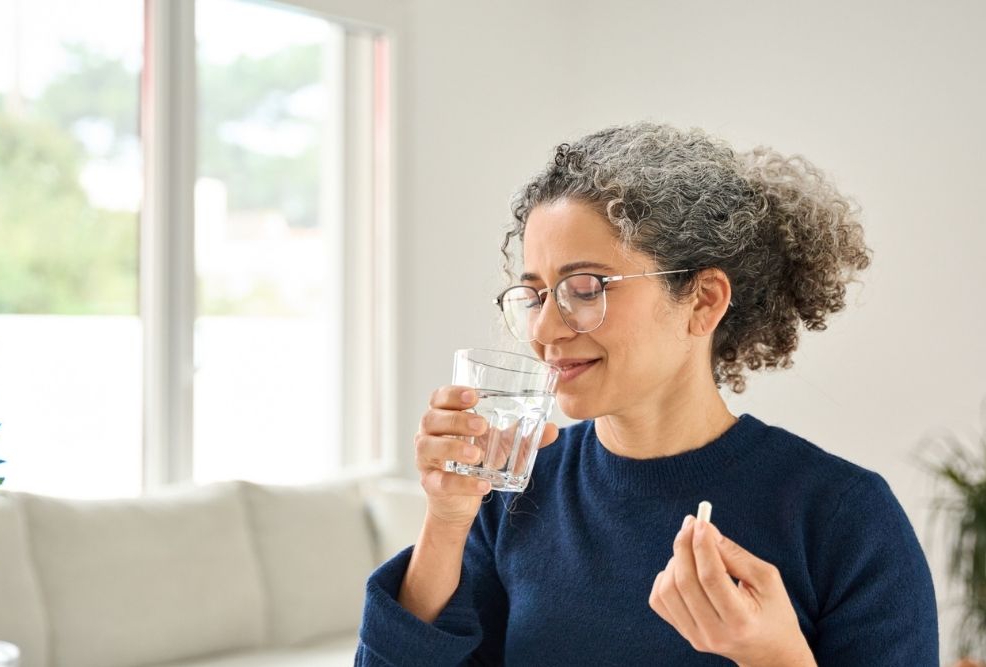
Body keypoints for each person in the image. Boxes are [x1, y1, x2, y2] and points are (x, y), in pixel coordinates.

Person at [355, 122, 939, 666]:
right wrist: (447, 519)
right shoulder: (517, 491)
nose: (544, 329)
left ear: (704, 300)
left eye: (585, 288)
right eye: (534, 294)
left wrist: (772, 655)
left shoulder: (844, 516)